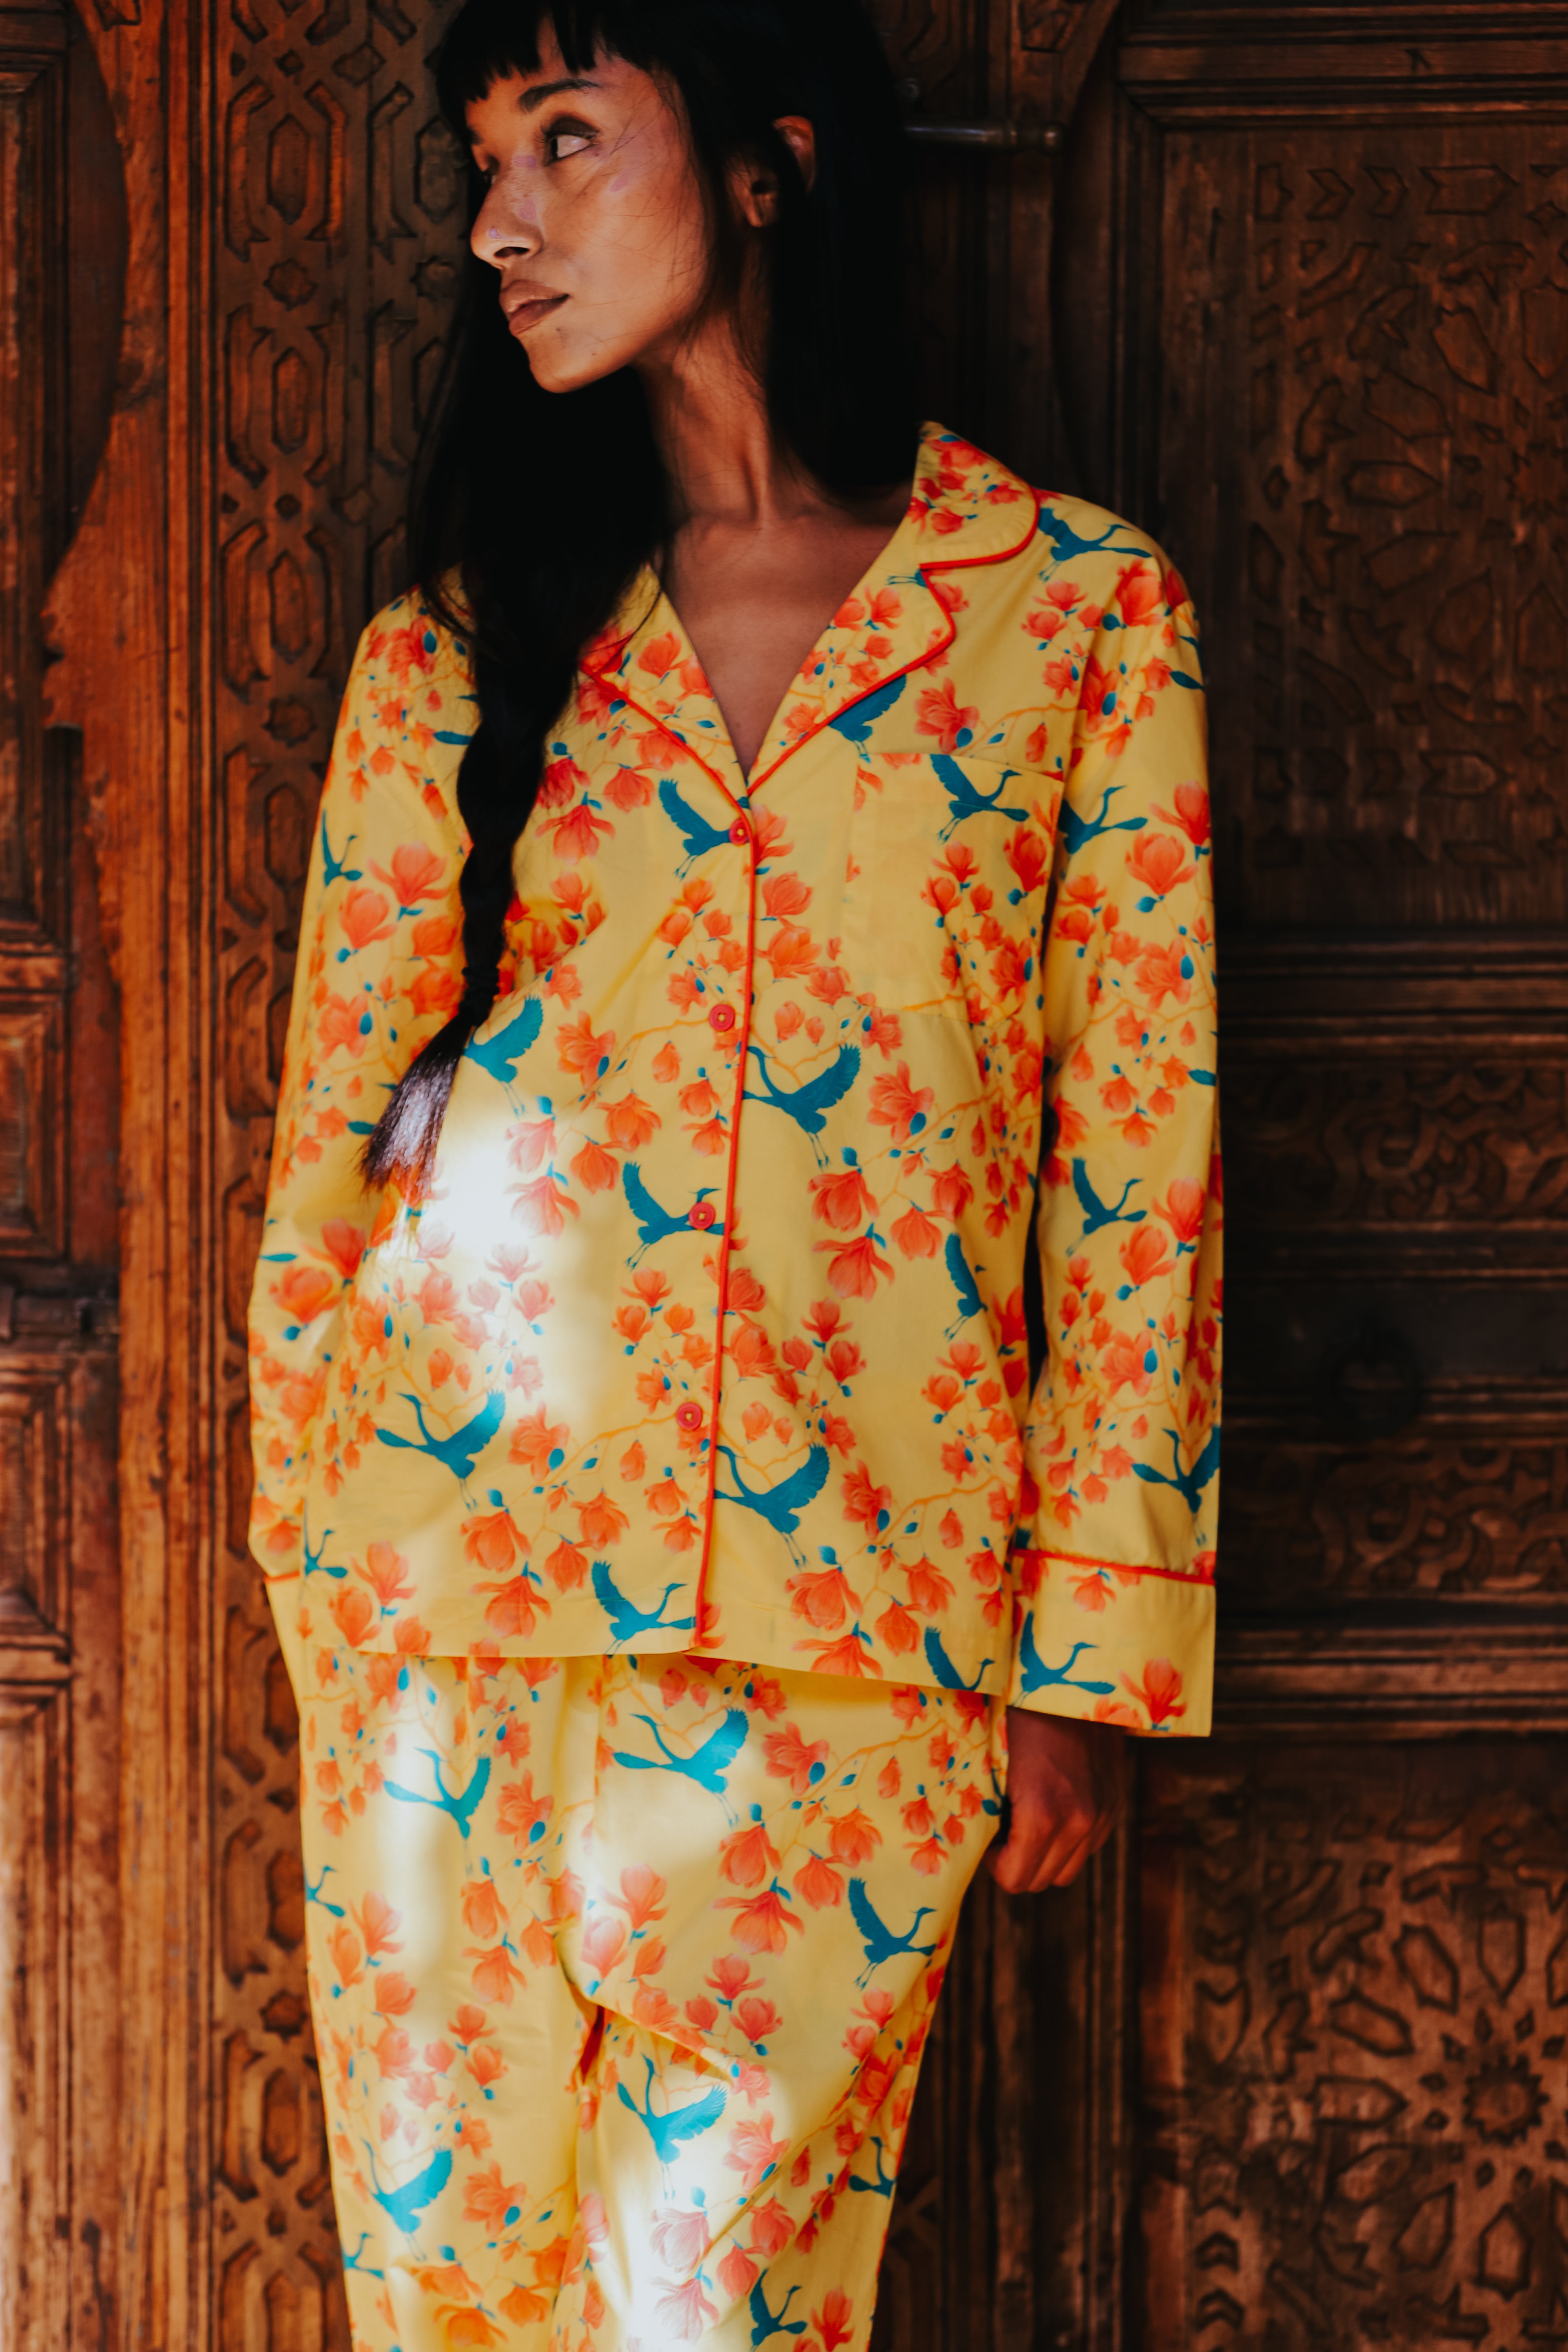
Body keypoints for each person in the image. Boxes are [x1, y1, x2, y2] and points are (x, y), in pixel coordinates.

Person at [246, 1, 1221, 2344]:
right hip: (451, 1644)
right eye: (484, 163)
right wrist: (326, 1590)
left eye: (567, 140)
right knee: (454, 2310)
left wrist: (1081, 1655)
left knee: (718, 2321)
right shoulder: (452, 661)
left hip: (851, 1658)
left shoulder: (1076, 620)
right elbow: (328, 1188)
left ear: (768, 165)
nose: (501, 226)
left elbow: (1137, 1159)